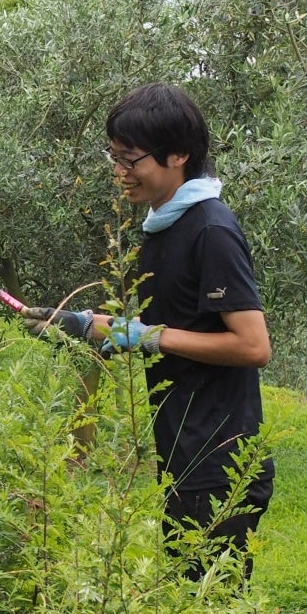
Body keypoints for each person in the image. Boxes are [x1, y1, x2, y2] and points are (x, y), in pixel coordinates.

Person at [25, 84, 274, 580]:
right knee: (193, 613)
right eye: (113, 156)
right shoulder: (164, 225)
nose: (119, 172)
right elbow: (176, 327)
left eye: (130, 159)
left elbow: (253, 345)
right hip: (183, 449)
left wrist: (144, 336)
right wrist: (95, 328)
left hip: (220, 460)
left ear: (178, 155)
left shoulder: (211, 229)